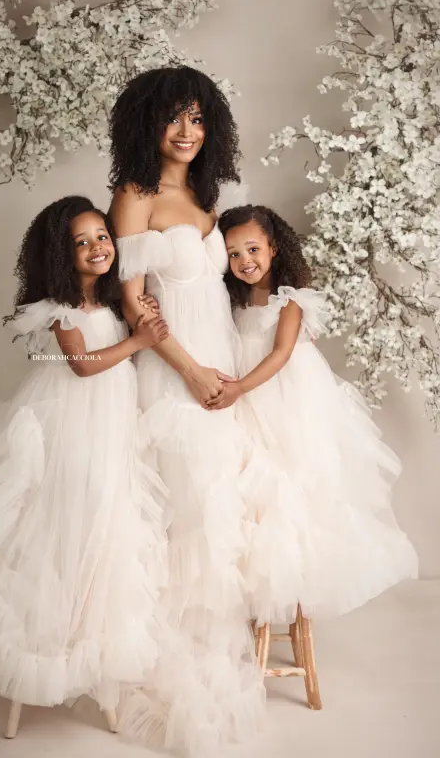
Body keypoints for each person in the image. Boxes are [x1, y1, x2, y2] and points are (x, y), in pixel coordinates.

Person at [0, 196, 170, 720]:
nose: (97, 247)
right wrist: (139, 342)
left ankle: (96, 656)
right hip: (72, 430)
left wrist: (145, 331)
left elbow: (121, 354)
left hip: (114, 427)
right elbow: (81, 366)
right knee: (61, 529)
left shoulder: (111, 306)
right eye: (82, 242)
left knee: (109, 529)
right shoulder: (59, 312)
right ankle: (38, 661)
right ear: (61, 256)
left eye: (102, 236)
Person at [108, 67, 266, 755]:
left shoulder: (209, 198)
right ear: (148, 122)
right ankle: (162, 664)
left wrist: (236, 370)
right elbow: (131, 301)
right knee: (183, 510)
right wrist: (191, 370)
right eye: (173, 117)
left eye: (198, 118)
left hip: (217, 372)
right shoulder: (133, 196)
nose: (186, 131)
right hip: (174, 374)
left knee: (215, 510)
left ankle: (207, 645)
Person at [212, 204, 419, 624]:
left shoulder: (291, 299)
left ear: (273, 247)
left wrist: (236, 388)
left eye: (252, 249)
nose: (244, 261)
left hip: (287, 400)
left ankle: (295, 581)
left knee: (295, 484)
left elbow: (281, 354)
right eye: (233, 254)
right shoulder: (235, 303)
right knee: (254, 489)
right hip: (251, 401)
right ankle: (262, 587)